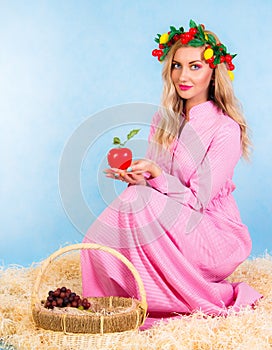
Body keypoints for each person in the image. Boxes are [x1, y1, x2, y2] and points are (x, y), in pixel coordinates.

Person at [81, 20, 262, 328]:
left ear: (213, 71)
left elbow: (197, 199)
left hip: (212, 231)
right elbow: (156, 185)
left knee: (141, 198)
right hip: (170, 219)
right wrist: (140, 175)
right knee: (123, 208)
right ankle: (108, 301)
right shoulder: (163, 120)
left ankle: (174, 298)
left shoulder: (225, 129)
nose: (183, 75)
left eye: (195, 66)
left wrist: (156, 177)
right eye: (177, 65)